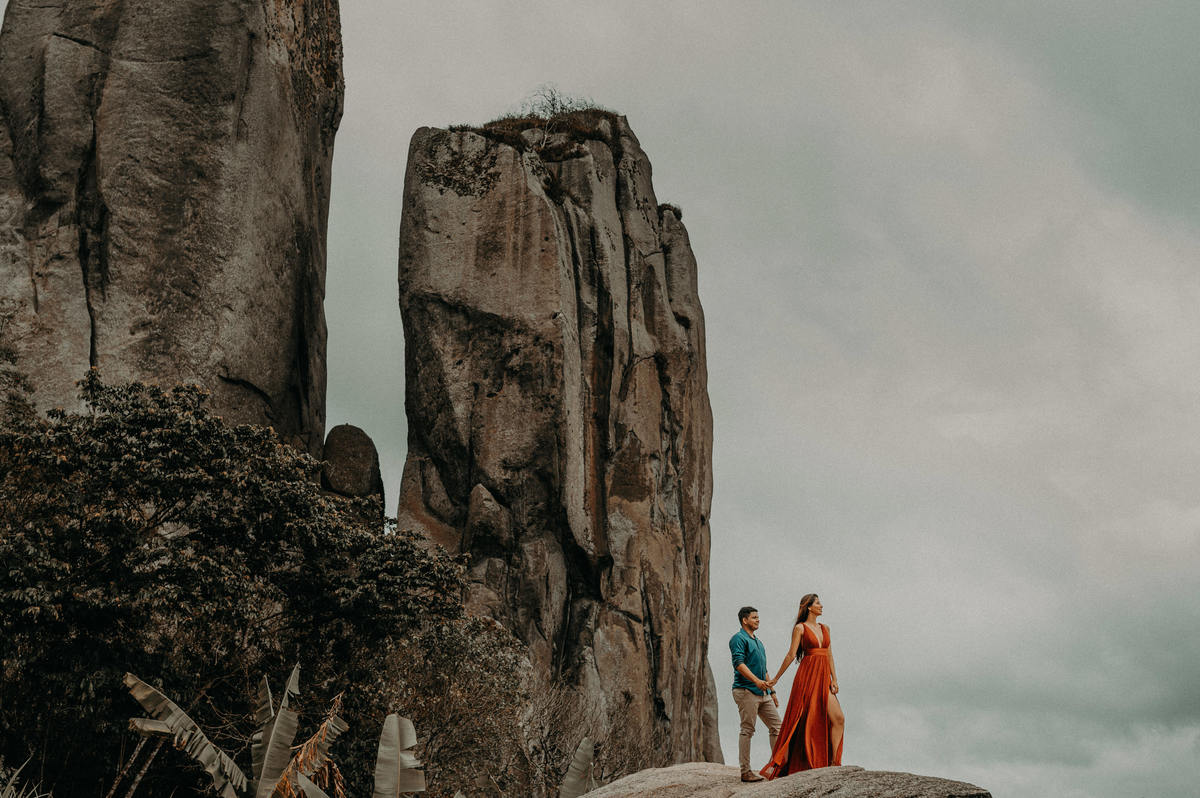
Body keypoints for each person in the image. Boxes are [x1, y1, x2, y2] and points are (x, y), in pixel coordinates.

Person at [760, 593, 844, 778]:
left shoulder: (826, 628)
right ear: (809, 607)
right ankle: (787, 762)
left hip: (824, 677)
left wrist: (834, 679)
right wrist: (776, 678)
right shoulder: (800, 628)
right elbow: (791, 655)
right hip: (807, 677)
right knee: (802, 719)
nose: (822, 606)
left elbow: (829, 654)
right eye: (818, 603)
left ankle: (834, 764)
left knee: (838, 718)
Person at [729, 606, 781, 783]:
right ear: (745, 620)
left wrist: (772, 691)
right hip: (745, 690)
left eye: (758, 617)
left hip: (763, 692)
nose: (758, 620)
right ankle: (746, 771)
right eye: (754, 617)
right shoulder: (738, 639)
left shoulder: (758, 642)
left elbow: (763, 668)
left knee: (777, 727)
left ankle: (775, 766)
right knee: (747, 729)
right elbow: (739, 664)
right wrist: (756, 681)